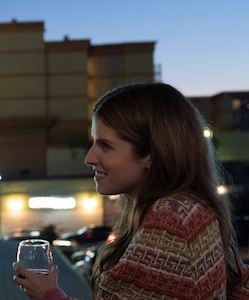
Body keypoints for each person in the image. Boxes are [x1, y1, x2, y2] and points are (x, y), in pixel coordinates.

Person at [13, 82, 249, 299]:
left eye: (106, 145)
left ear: (152, 154)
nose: (89, 157)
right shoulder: (185, 209)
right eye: (94, 142)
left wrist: (50, 295)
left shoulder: (171, 222)